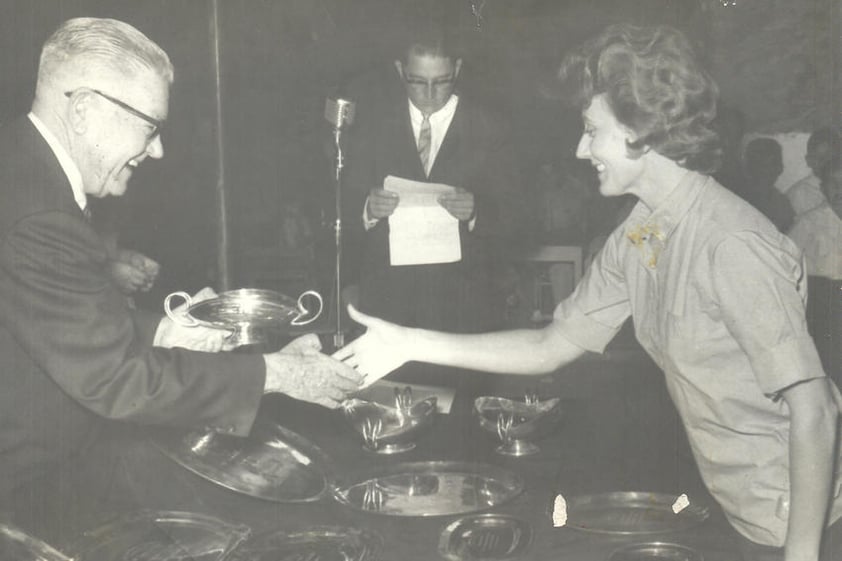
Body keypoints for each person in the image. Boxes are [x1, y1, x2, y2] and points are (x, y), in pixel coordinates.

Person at [336, 23, 842, 561]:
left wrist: (803, 554)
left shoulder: (730, 241)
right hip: (748, 510)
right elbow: (550, 346)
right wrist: (409, 342)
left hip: (811, 520)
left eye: (591, 130)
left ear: (640, 131)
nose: (581, 149)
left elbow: (815, 411)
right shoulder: (642, 230)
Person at [0, 17, 362, 543]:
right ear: (83, 111)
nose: (159, 150)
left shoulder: (22, 168)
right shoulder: (39, 214)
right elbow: (116, 382)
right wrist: (275, 373)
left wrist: (169, 332)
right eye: (150, 126)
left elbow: (62, 322)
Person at [342, 23, 524, 335]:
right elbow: (339, 205)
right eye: (417, 82)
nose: (429, 95)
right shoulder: (370, 124)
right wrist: (367, 208)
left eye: (441, 82)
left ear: (457, 68)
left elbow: (520, 219)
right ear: (400, 71)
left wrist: (477, 211)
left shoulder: (492, 128)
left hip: (464, 307)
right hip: (389, 304)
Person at [788, 156, 842, 382]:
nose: (840, 190)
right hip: (823, 301)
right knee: (830, 364)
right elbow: (788, 265)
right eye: (833, 184)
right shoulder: (807, 222)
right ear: (822, 187)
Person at [739, 137, 795, 232]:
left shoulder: (782, 202)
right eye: (763, 165)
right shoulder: (739, 200)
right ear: (748, 167)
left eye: (774, 163)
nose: (770, 170)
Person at [784, 127, 841, 219]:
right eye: (821, 159)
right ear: (809, 160)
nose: (827, 163)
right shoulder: (796, 195)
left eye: (832, 157)